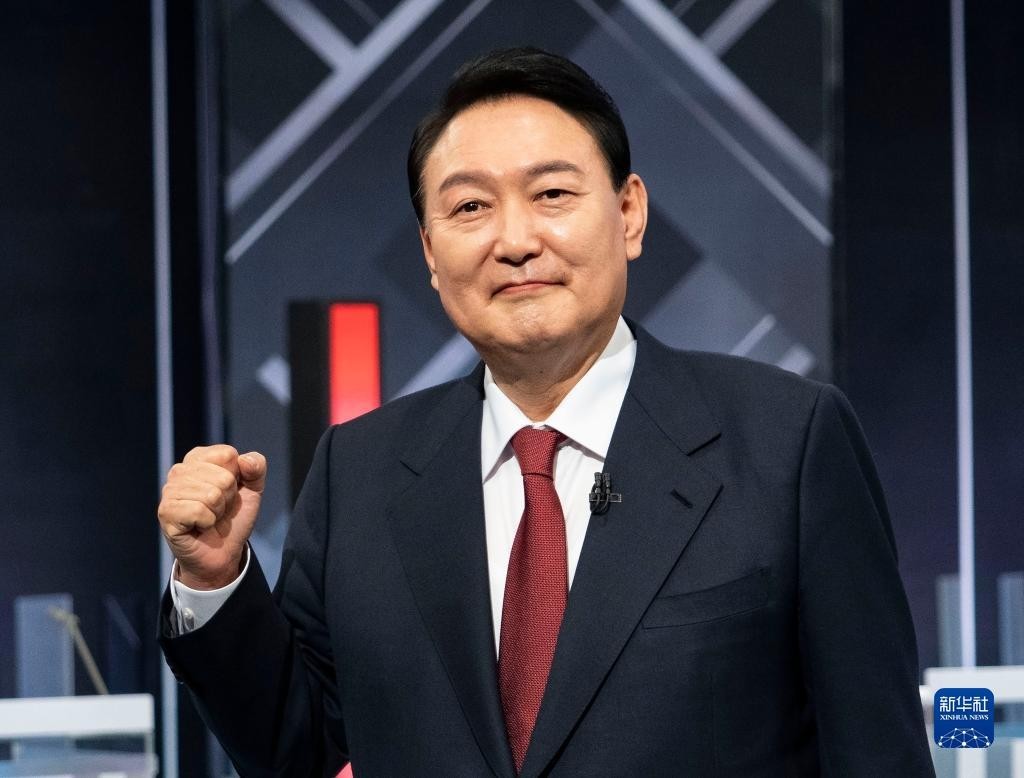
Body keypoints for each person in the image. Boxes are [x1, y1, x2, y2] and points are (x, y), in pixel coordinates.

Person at [158, 48, 935, 776]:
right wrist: (214, 579)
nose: (515, 240)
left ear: (629, 214)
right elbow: (299, 750)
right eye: (470, 207)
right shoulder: (355, 472)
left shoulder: (787, 442)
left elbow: (876, 748)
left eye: (552, 194)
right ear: (430, 254)